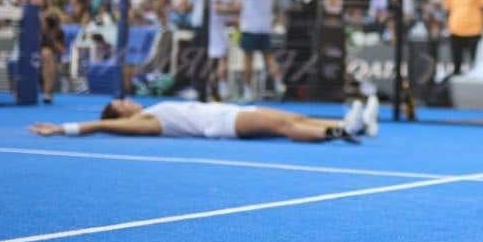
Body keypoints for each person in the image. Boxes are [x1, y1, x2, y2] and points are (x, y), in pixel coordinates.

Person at [30, 96, 379, 143]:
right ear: (121, 114)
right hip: (224, 125)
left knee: (295, 116)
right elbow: (103, 125)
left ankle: (350, 124)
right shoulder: (147, 122)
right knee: (285, 128)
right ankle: (341, 131)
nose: (128, 101)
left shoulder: (152, 110)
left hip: (228, 110)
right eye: (121, 103)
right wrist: (63, 128)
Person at [234, 0, 280, 99]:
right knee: (269, 58)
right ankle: (279, 83)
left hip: (250, 26)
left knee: (248, 59)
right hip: (265, 27)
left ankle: (247, 91)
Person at [39, 12, 66, 104]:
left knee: (50, 57)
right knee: (46, 53)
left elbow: (62, 51)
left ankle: (48, 92)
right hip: (38, 57)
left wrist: (53, 39)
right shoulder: (40, 31)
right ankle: (47, 92)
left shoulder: (59, 32)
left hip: (53, 59)